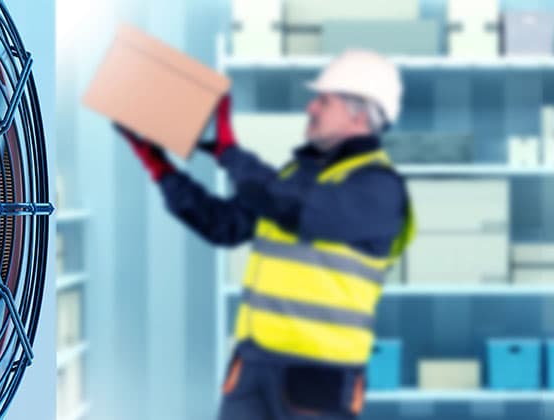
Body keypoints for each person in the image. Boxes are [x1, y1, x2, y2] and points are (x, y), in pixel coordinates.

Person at [115, 49, 415, 419]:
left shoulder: (378, 187)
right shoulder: (294, 177)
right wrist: (162, 170)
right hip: (253, 369)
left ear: (359, 112)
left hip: (317, 382)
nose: (311, 108)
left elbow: (298, 210)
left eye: (324, 100)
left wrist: (230, 154)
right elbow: (224, 224)